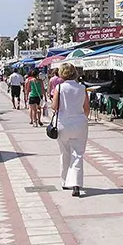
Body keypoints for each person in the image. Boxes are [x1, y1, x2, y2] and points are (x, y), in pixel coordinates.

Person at [51, 63, 90, 197]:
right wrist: (81, 119)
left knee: (65, 152)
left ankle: (65, 180)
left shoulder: (59, 87)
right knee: (78, 154)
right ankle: (76, 184)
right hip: (79, 123)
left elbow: (54, 106)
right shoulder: (82, 88)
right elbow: (86, 108)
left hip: (63, 123)